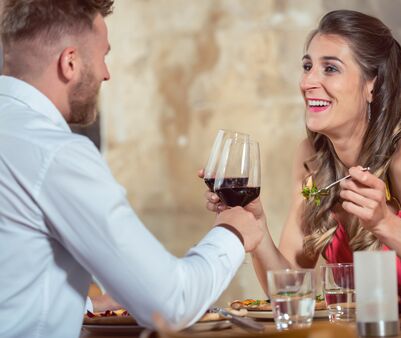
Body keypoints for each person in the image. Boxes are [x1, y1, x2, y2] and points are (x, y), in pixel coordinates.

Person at [0, 1, 265, 337]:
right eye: (103, 55)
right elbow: (170, 305)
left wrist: (87, 306)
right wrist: (233, 233)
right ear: (70, 62)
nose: (106, 73)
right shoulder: (57, 154)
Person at [205, 9, 401, 310]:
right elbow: (289, 287)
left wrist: (385, 223)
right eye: (307, 66)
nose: (308, 82)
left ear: (372, 84)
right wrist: (257, 229)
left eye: (330, 69)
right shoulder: (311, 158)